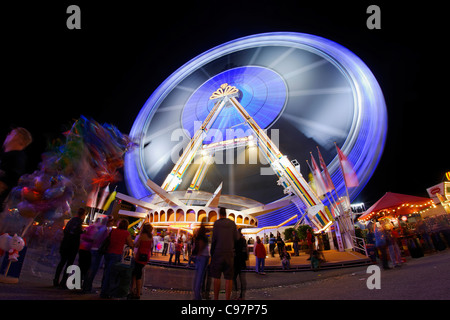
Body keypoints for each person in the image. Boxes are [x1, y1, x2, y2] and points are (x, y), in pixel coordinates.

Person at [210, 207, 239, 300]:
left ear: (219, 214)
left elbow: (213, 240)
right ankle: (227, 298)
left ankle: (216, 298)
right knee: (229, 278)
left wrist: (212, 253)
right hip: (229, 253)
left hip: (218, 252)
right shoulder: (232, 223)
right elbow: (237, 238)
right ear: (226, 214)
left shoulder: (216, 223)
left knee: (217, 277)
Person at [100, 219, 134, 298]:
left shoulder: (113, 231)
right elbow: (130, 244)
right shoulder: (126, 233)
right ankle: (107, 293)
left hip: (108, 253)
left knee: (106, 272)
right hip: (117, 254)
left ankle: (103, 289)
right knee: (112, 275)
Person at [0, 127, 32, 210]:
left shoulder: (17, 159)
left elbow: (4, 183)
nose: (8, 135)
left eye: (11, 133)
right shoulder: (6, 156)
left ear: (18, 137)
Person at [53, 207, 86, 288]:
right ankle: (63, 282)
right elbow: (76, 232)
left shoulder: (71, 220)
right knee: (69, 264)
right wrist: (83, 232)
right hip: (72, 246)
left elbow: (66, 231)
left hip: (65, 244)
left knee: (62, 262)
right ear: (83, 215)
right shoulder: (78, 222)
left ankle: (56, 280)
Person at [82, 216, 112, 293]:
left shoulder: (99, 228)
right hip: (98, 250)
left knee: (91, 268)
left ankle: (86, 286)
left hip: (93, 248)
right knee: (93, 269)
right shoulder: (104, 229)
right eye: (111, 221)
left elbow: (94, 237)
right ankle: (87, 287)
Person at [129, 222, 153, 299]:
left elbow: (136, 245)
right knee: (137, 273)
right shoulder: (151, 237)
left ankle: (136, 292)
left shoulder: (142, 236)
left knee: (137, 274)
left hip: (140, 256)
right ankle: (135, 291)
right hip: (146, 256)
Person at [192, 224, 209, 300]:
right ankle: (197, 296)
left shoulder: (200, 237)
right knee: (200, 277)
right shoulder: (203, 237)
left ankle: (197, 295)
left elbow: (200, 246)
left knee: (199, 276)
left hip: (201, 257)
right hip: (203, 257)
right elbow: (202, 246)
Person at [233, 228, 248, 300]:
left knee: (237, 279)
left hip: (237, 262)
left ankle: (238, 295)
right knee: (240, 279)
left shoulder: (235, 241)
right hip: (240, 262)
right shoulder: (243, 241)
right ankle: (239, 295)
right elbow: (245, 251)